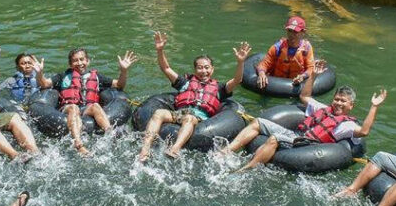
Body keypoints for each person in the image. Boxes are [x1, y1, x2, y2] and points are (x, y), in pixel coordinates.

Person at [219, 68, 387, 172]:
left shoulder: (346, 125)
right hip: (295, 135)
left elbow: (364, 131)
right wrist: (313, 75)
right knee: (257, 122)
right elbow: (304, 96)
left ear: (351, 105)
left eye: (343, 101)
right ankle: (227, 152)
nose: (338, 103)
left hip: (308, 144)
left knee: (274, 138)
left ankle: (248, 169)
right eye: (337, 99)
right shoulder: (322, 108)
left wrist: (374, 106)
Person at [137, 32, 250, 162]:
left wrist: (240, 62)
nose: (204, 71)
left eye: (207, 68)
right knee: (158, 112)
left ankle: (175, 149)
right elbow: (166, 68)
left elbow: (237, 80)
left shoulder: (219, 88)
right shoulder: (185, 83)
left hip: (199, 119)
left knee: (189, 118)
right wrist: (160, 50)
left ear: (212, 69)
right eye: (200, 68)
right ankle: (145, 149)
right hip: (180, 114)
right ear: (195, 70)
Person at [50, 48, 137, 156]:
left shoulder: (97, 76)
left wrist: (124, 70)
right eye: (75, 60)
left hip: (87, 109)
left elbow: (119, 85)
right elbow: (45, 83)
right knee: (74, 107)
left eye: (82, 59)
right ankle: (78, 145)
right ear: (70, 64)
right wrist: (39, 73)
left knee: (95, 105)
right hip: (68, 109)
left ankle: (111, 135)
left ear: (87, 61)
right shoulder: (62, 76)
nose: (79, 63)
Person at [254, 15, 324, 89]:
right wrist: (261, 73)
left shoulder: (306, 49)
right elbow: (264, 64)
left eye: (295, 32)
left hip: (296, 86)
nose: (291, 35)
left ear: (303, 32)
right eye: (289, 31)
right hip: (275, 85)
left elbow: (310, 68)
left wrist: (303, 76)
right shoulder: (277, 48)